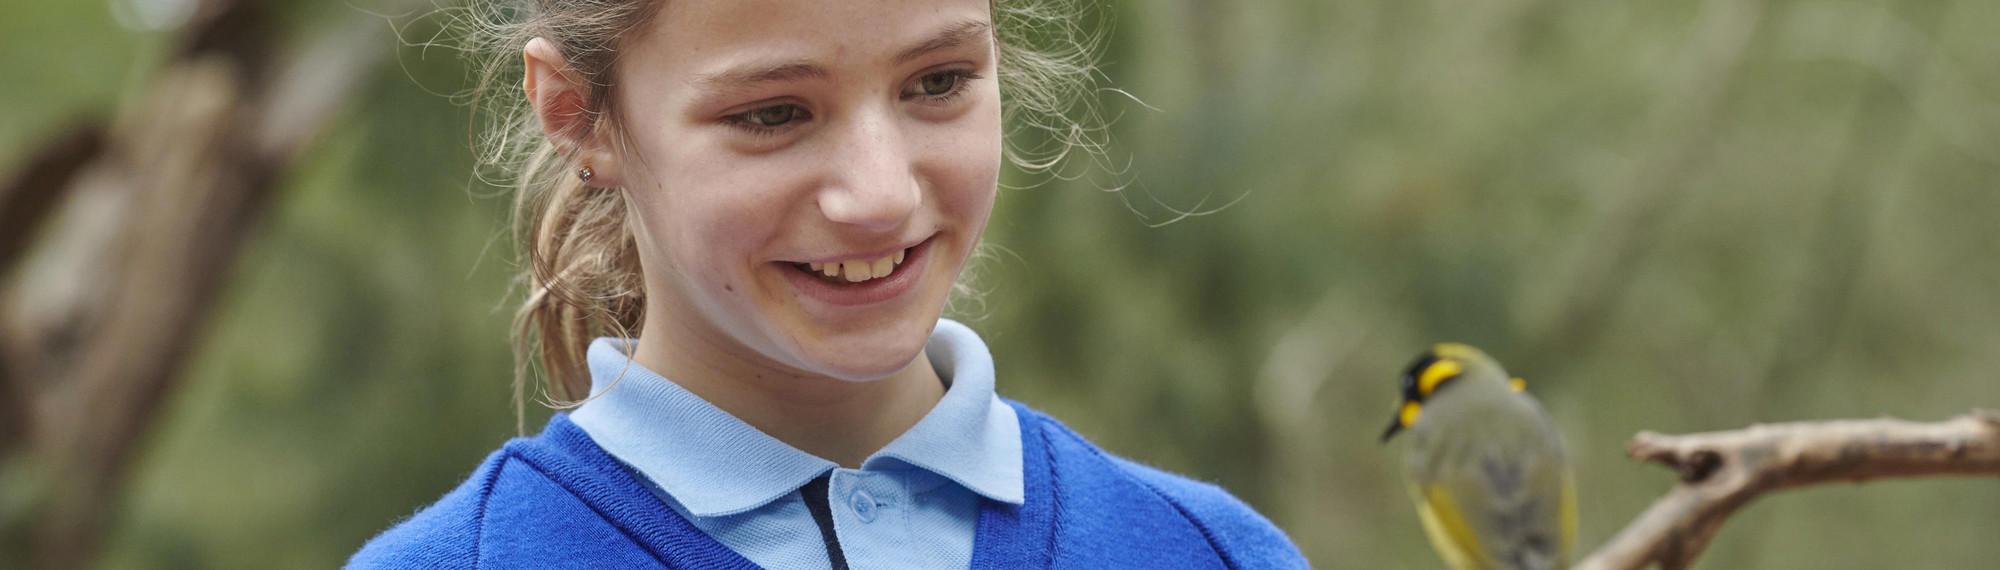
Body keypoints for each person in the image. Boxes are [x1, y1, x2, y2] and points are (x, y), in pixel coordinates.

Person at [349, 0, 1306, 567]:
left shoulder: (1209, 552)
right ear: (579, 116)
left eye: (937, 83)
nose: (879, 195)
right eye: (773, 112)